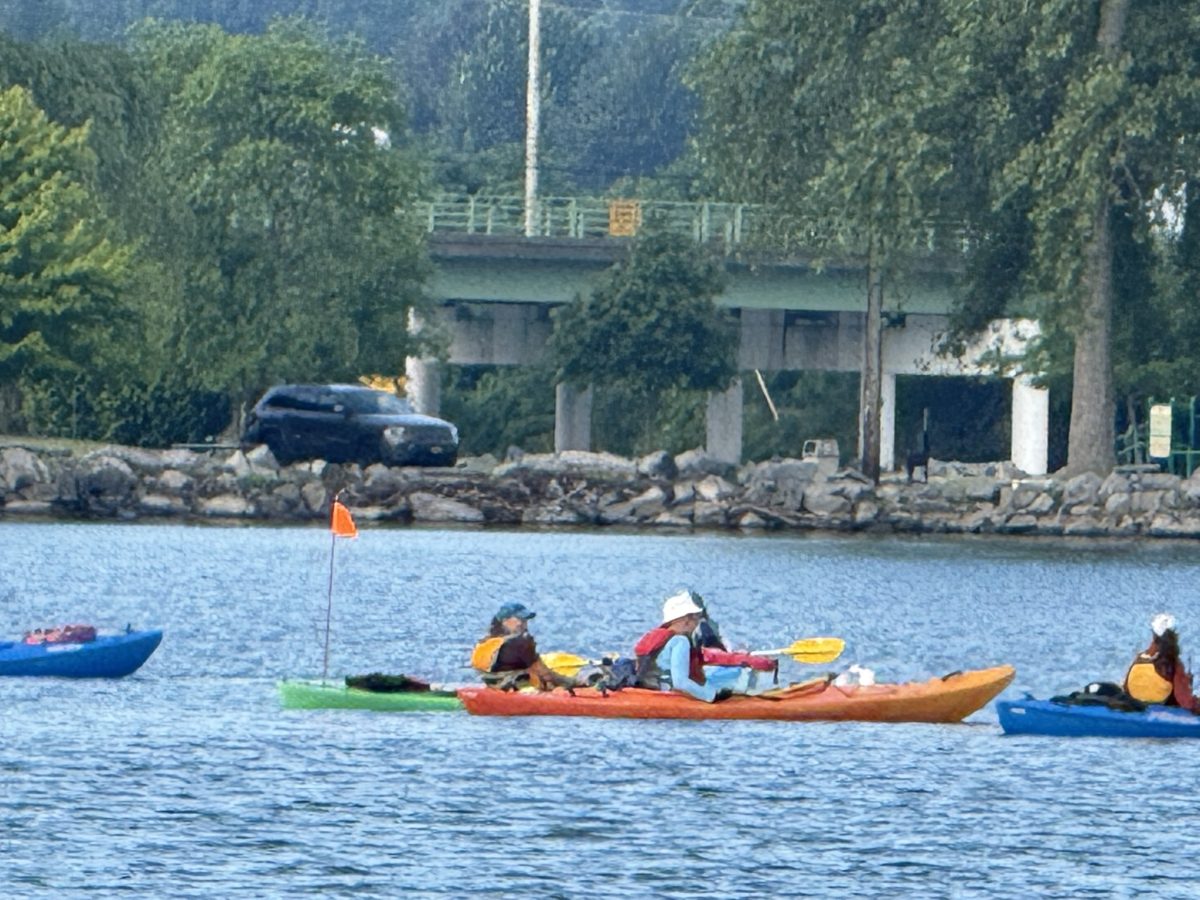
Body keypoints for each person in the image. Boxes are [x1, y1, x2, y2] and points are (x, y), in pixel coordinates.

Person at [632, 591, 723, 702]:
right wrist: (711, 696)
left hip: (648, 687)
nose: (697, 623)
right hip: (666, 694)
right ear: (686, 619)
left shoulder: (656, 637)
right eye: (696, 618)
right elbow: (680, 682)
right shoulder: (680, 641)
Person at [471, 601, 575, 691]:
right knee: (549, 680)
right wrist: (573, 683)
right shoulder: (521, 642)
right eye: (519, 619)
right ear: (505, 620)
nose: (522, 624)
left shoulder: (485, 641)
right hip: (518, 688)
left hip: (493, 685)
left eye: (525, 620)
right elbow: (545, 673)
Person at [1123, 613, 1198, 711]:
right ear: (1174, 636)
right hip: (1161, 710)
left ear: (1154, 636)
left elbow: (1126, 687)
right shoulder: (1172, 663)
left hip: (1137, 707)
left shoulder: (1139, 659)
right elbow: (1185, 700)